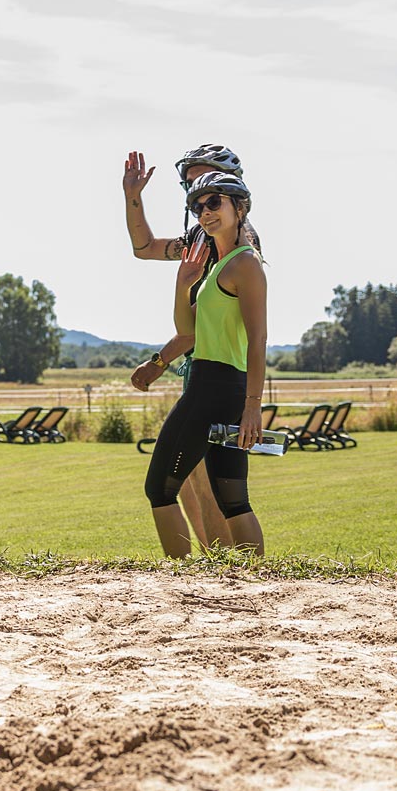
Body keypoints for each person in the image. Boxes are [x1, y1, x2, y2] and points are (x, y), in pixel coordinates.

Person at [131, 170, 269, 556]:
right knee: (232, 498)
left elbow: (258, 340)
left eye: (214, 202)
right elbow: (188, 329)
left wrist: (253, 408)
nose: (204, 212)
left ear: (239, 207)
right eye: (197, 206)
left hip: (214, 389)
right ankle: (256, 584)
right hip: (222, 387)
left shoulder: (246, 265)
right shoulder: (219, 268)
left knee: (159, 488)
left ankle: (181, 581)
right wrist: (184, 283)